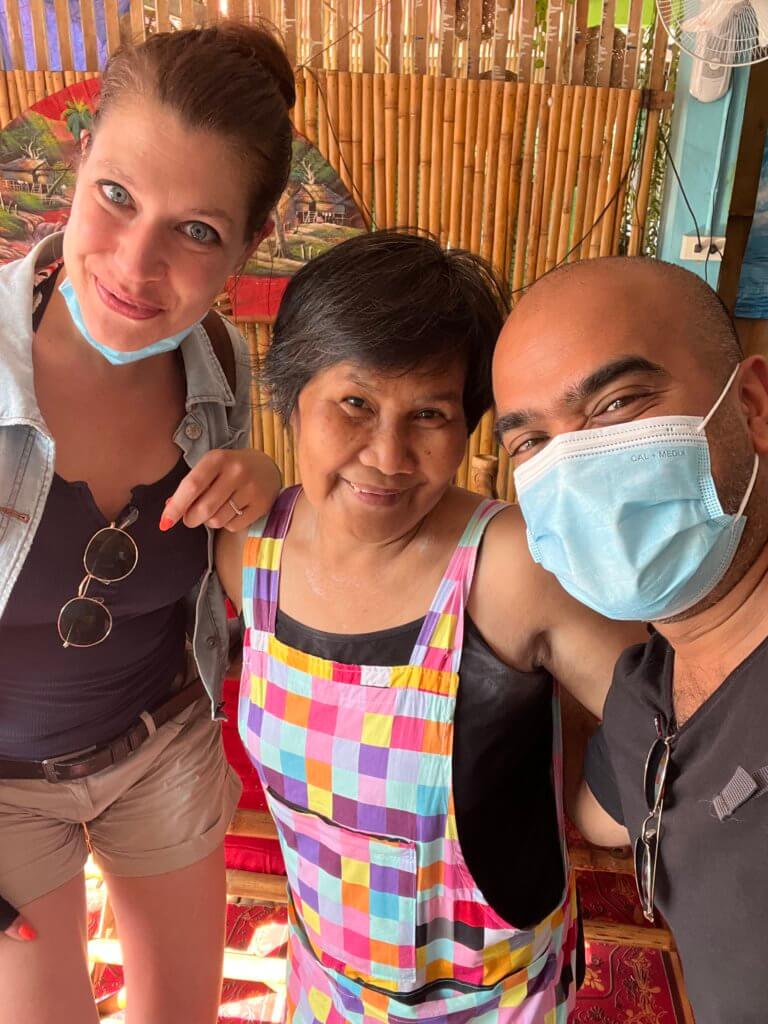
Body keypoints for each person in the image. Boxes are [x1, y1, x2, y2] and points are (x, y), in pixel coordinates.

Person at [217, 231, 643, 1023]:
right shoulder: (248, 551)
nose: (388, 455)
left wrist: (602, 813)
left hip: (495, 1000)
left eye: (429, 414)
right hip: (326, 985)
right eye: (354, 404)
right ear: (292, 394)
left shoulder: (508, 568)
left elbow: (665, 714)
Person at [0, 22, 295, 1024]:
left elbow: (233, 571)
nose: (135, 263)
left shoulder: (220, 360)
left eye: (197, 231)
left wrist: (260, 485)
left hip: (161, 746)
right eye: (117, 196)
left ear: (251, 244)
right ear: (79, 160)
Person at [493, 256, 768, 1024]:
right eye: (530, 443)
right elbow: (606, 819)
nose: (572, 471)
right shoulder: (646, 690)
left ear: (752, 406)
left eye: (616, 404)